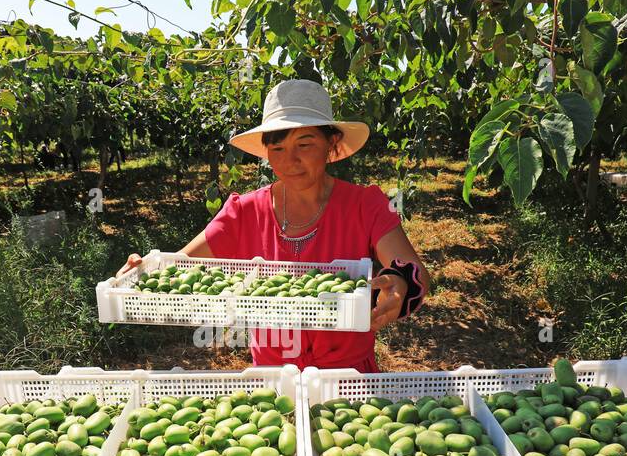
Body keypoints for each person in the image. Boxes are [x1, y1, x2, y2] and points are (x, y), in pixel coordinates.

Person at [117, 79, 429, 372]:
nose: (289, 161)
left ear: (331, 144)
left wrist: (399, 283)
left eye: (304, 145)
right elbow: (183, 263)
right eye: (277, 149)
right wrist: (144, 269)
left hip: (347, 376)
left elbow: (412, 269)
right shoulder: (244, 211)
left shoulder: (365, 205)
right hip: (273, 380)